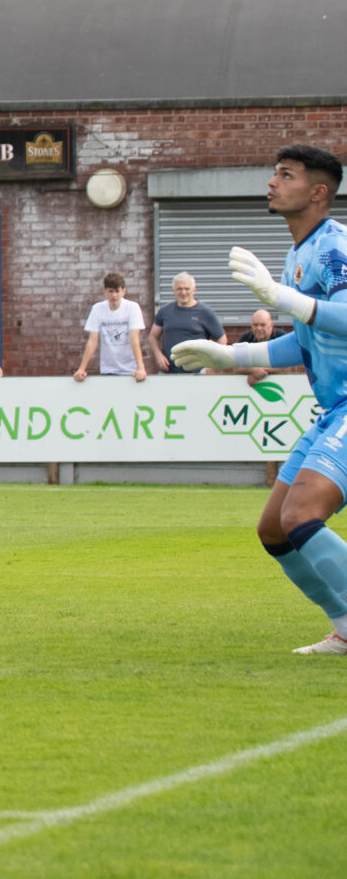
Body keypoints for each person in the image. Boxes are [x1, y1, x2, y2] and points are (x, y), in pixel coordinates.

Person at [169, 146, 347, 655]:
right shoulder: (298, 254)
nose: (272, 183)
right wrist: (231, 357)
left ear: (318, 192)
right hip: (335, 408)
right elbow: (309, 340)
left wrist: (285, 300)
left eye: (285, 175)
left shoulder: (335, 248)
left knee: (300, 517)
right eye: (274, 174)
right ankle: (345, 628)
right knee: (275, 530)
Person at [74, 272, 148, 382]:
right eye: (111, 291)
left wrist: (140, 368)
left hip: (130, 370)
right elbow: (92, 341)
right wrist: (81, 369)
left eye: (117, 291)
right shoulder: (97, 309)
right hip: (108, 369)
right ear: (105, 291)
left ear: (123, 291)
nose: (114, 295)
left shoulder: (132, 308)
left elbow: (134, 339)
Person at [151, 272, 227, 374]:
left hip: (198, 373)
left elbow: (222, 340)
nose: (183, 292)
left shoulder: (205, 312)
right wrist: (158, 355)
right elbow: (152, 336)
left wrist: (212, 365)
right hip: (168, 372)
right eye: (179, 289)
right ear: (173, 290)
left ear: (194, 290)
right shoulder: (165, 311)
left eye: (187, 289)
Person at [239, 310, 292, 386]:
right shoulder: (246, 338)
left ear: (271, 325)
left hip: (283, 385)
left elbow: (287, 367)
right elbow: (237, 367)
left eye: (263, 325)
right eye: (255, 325)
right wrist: (254, 370)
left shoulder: (281, 337)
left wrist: (262, 371)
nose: (259, 328)